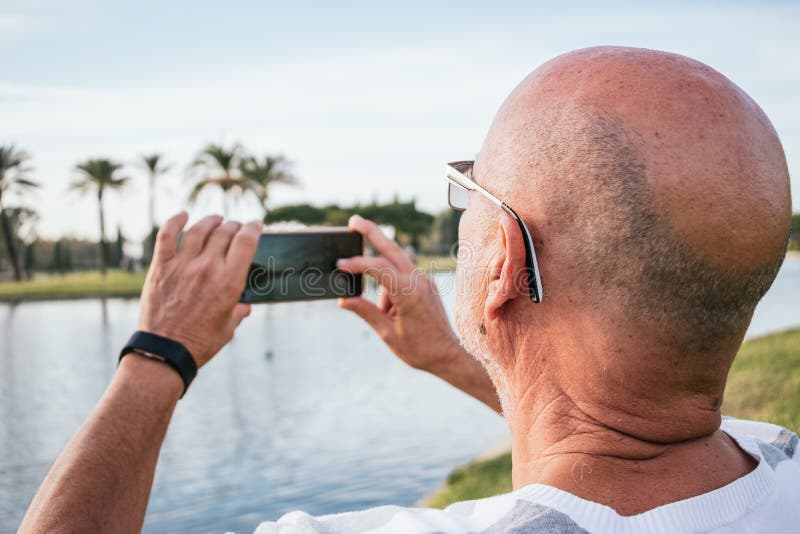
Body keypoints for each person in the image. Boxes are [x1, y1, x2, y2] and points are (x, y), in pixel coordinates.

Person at [19, 46, 798, 533]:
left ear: (503, 268)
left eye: (471, 189)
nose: (458, 208)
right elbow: (611, 424)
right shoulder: (781, 459)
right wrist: (458, 358)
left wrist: (156, 354)